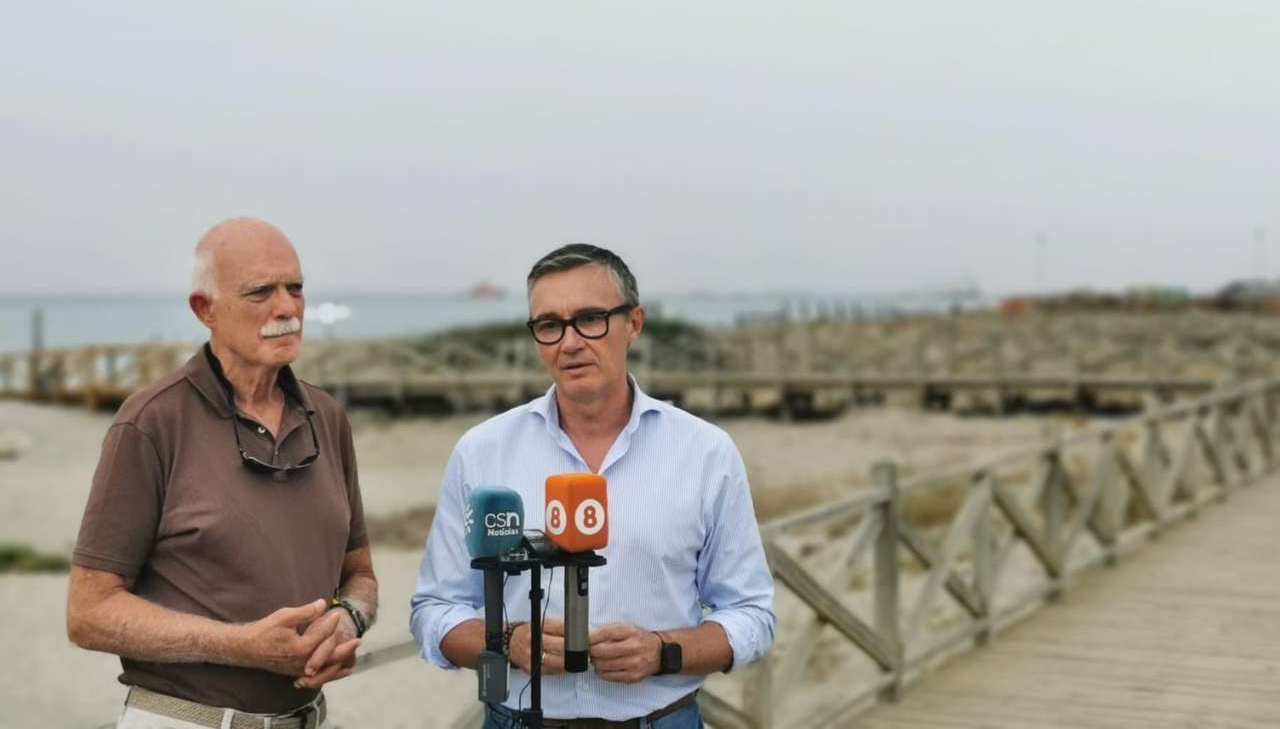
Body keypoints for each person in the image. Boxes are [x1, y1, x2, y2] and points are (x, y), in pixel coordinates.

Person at [410, 244, 774, 728]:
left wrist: (663, 651)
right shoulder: (481, 451)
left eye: (590, 319)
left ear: (634, 323)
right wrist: (507, 640)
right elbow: (434, 611)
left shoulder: (706, 452)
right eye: (549, 325)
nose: (570, 342)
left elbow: (751, 615)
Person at [67, 217, 377, 729]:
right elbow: (88, 613)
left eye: (295, 288)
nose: (288, 308)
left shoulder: (328, 418)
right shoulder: (149, 423)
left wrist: (349, 618)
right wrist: (241, 646)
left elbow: (360, 574)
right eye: (260, 292)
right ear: (204, 309)